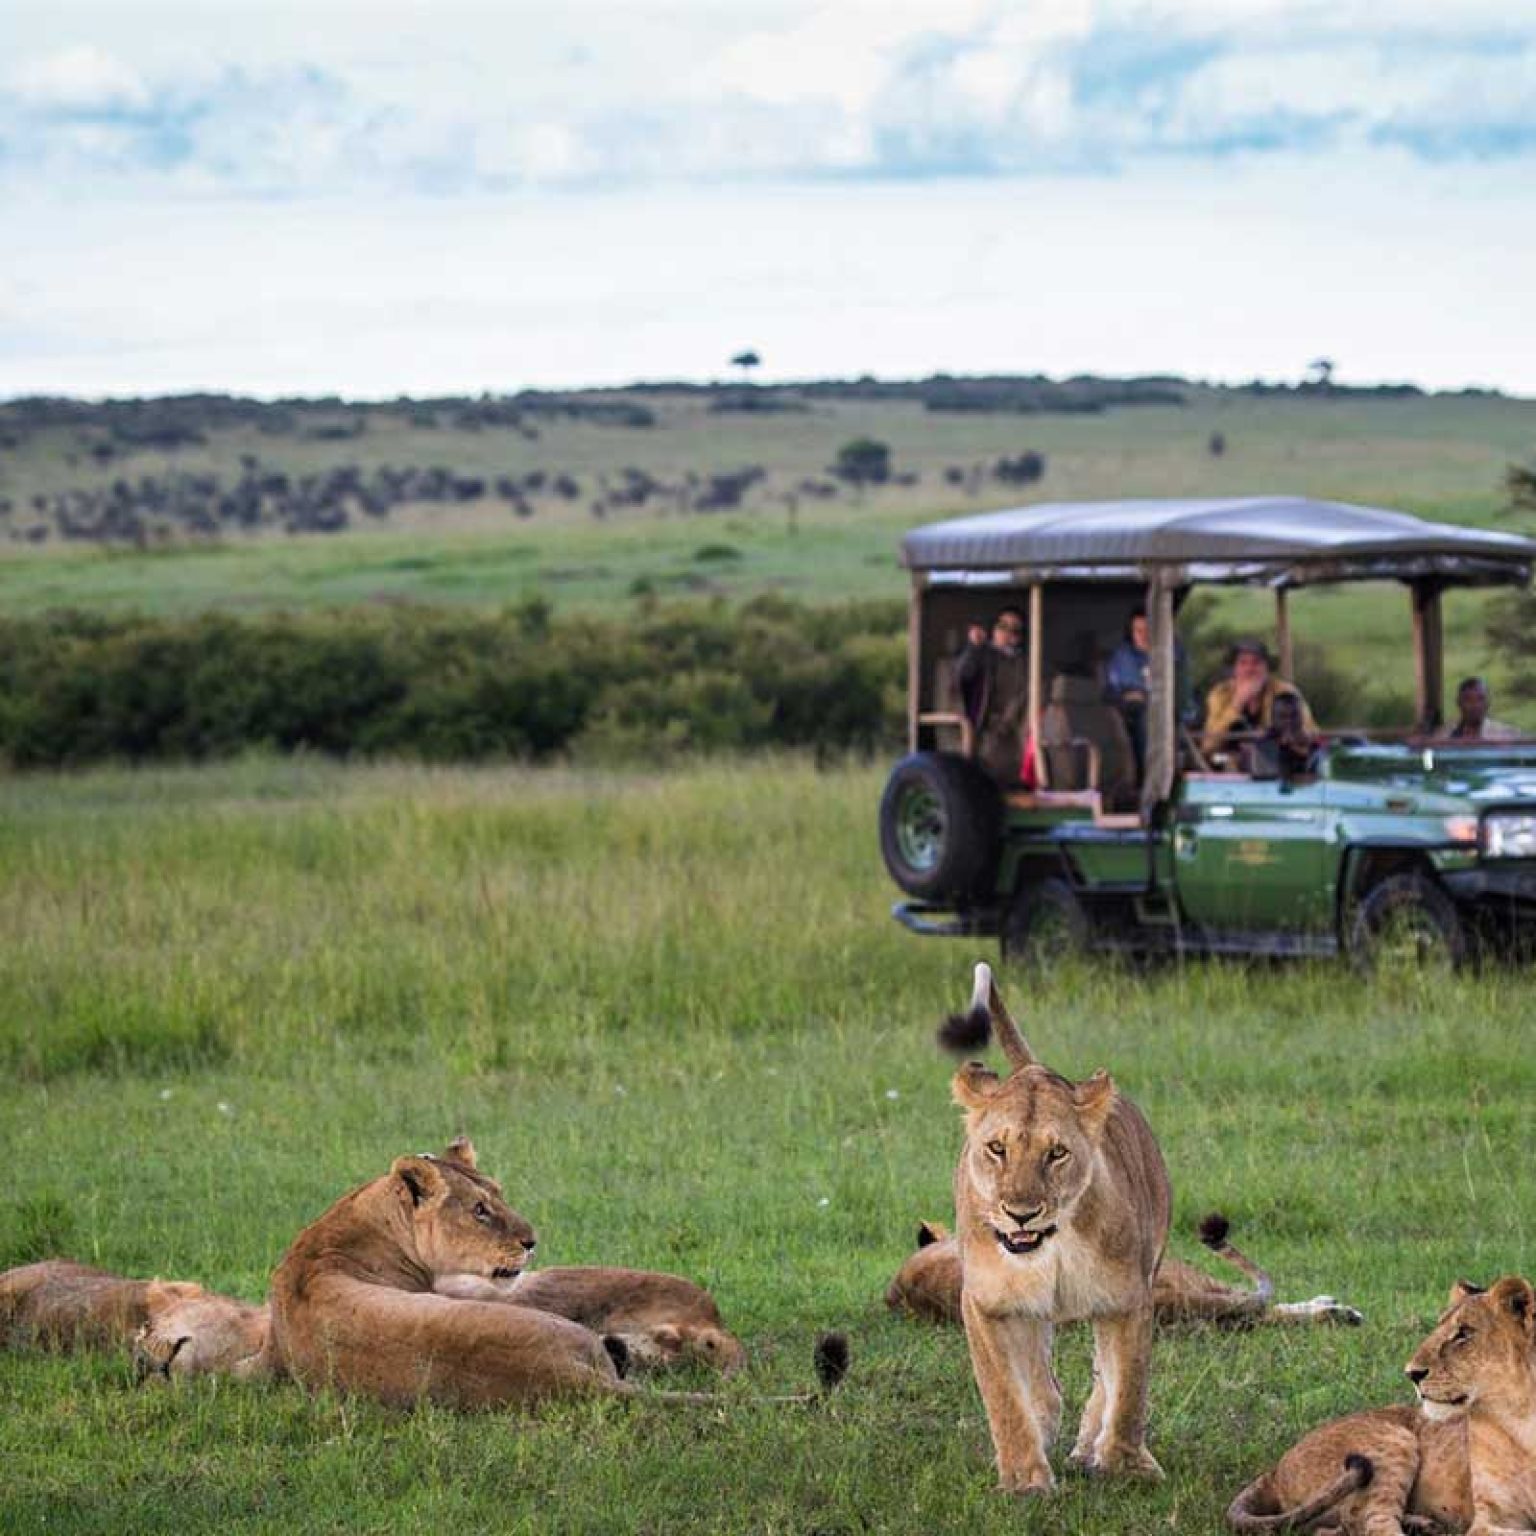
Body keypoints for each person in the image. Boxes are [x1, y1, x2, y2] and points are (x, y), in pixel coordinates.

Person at [1104, 605, 1198, 774]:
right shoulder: (1124, 657)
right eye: (1138, 631)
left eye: (1148, 630)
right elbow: (1124, 692)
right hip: (1136, 715)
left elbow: (1184, 688)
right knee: (1147, 717)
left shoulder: (1174, 653)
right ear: (1131, 633)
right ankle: (1151, 775)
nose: (1143, 636)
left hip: (1174, 712)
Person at [1202, 638, 1316, 761]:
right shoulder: (1220, 694)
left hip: (1276, 761)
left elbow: (1310, 733)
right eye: (1243, 663)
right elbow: (1209, 745)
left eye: (1256, 663)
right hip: (1229, 762)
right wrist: (1237, 703)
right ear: (1234, 669)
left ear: (1267, 668)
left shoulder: (1285, 692)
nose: (1249, 669)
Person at [955, 608, 1029, 784]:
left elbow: (1024, 696)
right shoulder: (982, 655)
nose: (1008, 634)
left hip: (1014, 727)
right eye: (1003, 627)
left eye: (1015, 630)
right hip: (983, 727)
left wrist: (1007, 722)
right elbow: (964, 674)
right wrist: (974, 647)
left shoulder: (1025, 663)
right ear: (993, 629)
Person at [1253, 691, 1319, 777]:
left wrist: (1306, 749)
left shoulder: (1312, 745)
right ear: (1273, 719)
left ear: (1302, 717)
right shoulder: (1263, 745)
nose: (1289, 721)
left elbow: (1319, 772)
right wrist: (1289, 748)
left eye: (1294, 716)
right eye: (1283, 716)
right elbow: (1280, 775)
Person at [1441, 676, 1519, 741]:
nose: (1475, 705)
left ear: (1488, 703)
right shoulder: (1444, 736)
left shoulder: (1505, 735)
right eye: (1468, 700)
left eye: (1480, 699)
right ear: (1459, 703)